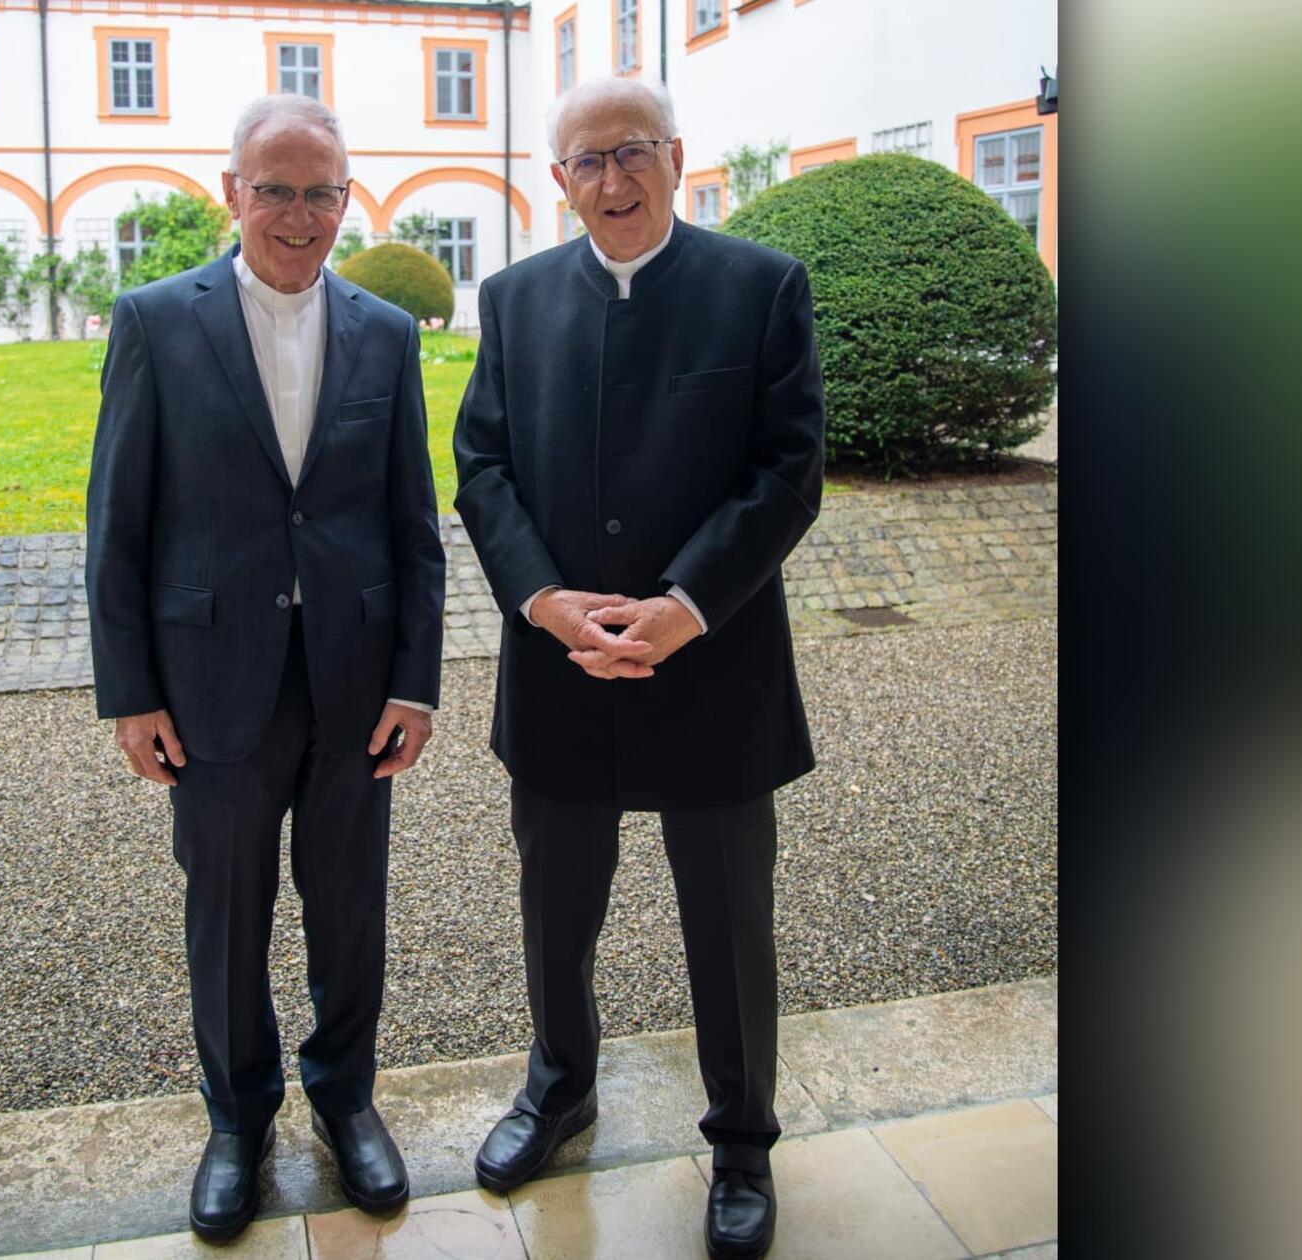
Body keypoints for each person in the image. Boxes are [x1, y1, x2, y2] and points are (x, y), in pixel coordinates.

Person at [451, 76, 826, 1260]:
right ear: (556, 179)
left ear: (674, 156)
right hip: (560, 662)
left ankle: (742, 1140)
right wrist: (544, 602)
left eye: (630, 153)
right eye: (586, 162)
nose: (611, 181)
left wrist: (684, 606)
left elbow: (787, 470)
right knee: (556, 907)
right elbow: (482, 467)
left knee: (728, 920)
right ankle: (559, 1089)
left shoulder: (760, 286)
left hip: (712, 660)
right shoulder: (512, 299)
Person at [84, 93, 446, 1240]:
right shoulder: (155, 321)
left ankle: (346, 1101)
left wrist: (415, 681)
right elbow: (116, 526)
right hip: (210, 683)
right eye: (276, 190)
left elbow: (413, 526)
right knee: (227, 914)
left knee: (349, 910)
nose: (299, 215)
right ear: (231, 190)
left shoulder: (386, 332)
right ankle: (237, 1123)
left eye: (321, 193)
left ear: (348, 197)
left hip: (354, 682)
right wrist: (130, 692)